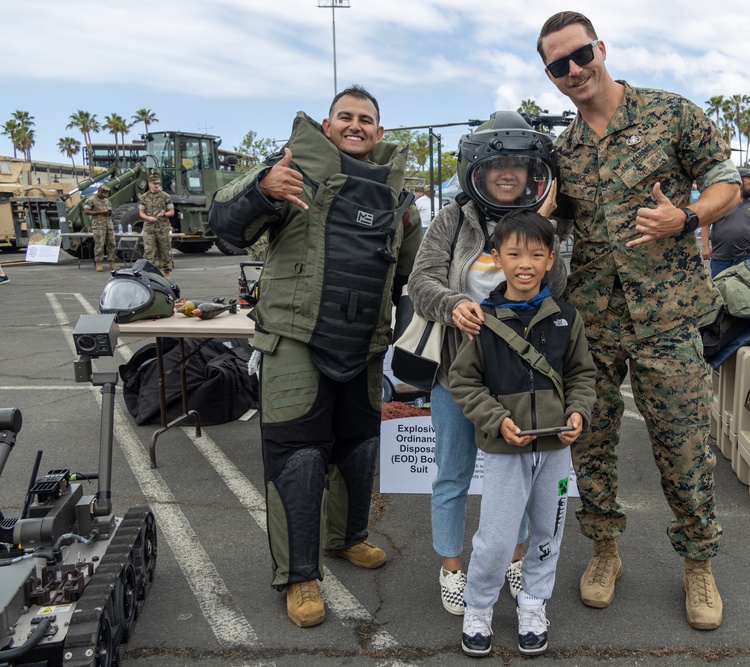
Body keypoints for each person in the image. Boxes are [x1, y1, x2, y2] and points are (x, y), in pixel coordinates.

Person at [537, 11, 740, 630]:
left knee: (683, 445)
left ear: (601, 48)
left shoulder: (671, 114)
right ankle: (604, 551)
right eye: (558, 65)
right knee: (590, 442)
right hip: (592, 322)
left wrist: (688, 217)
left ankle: (699, 564)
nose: (574, 71)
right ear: (550, 75)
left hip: (669, 317)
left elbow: (726, 181)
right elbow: (552, 226)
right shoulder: (563, 150)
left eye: (580, 55)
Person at [209, 85, 423, 629]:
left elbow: (411, 275)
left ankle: (344, 539)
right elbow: (225, 230)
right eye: (345, 117)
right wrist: (262, 190)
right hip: (294, 342)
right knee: (298, 457)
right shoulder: (287, 173)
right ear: (327, 126)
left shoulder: (399, 197)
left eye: (366, 119)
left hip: (367, 345)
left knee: (356, 447)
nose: (356, 125)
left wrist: (416, 348)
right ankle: (299, 575)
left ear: (379, 130)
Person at [409, 111, 567, 616]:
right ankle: (452, 566)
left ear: (532, 172)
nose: (506, 173)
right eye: (496, 163)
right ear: (476, 169)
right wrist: (453, 304)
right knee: (453, 474)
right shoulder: (453, 219)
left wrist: (548, 226)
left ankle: (516, 558)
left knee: (518, 476)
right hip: (457, 372)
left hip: (520, 378)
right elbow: (421, 280)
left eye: (518, 166)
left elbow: (558, 288)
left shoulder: (543, 224)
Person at [449, 210, 597, 657]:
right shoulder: (482, 321)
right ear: (497, 258)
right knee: (495, 539)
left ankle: (533, 604)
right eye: (514, 253)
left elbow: (583, 376)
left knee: (548, 534)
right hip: (503, 451)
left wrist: (578, 414)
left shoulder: (567, 318)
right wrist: (496, 421)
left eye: (536, 254)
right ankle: (479, 608)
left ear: (551, 259)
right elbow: (463, 382)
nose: (525, 263)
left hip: (556, 451)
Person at [702, 168, 750, 277]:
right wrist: (705, 247)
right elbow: (706, 224)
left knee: (744, 288)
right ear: (738, 181)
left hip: (744, 257)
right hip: (721, 258)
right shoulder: (720, 200)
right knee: (720, 288)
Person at [139, 173, 175, 278]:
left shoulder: (165, 196)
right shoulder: (144, 197)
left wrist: (164, 214)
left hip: (162, 227)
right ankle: (149, 274)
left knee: (165, 250)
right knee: (149, 251)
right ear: (149, 184)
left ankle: (167, 272)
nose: (156, 185)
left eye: (158, 183)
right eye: (154, 183)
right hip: (149, 228)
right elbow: (141, 213)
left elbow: (171, 212)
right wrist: (148, 218)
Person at [83, 184, 117, 272]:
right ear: (99, 192)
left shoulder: (107, 201)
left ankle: (111, 263)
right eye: (103, 194)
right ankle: (98, 262)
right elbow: (86, 211)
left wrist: (109, 212)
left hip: (108, 224)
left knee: (112, 243)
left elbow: (110, 211)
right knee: (99, 244)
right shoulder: (90, 200)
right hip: (98, 225)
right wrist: (99, 212)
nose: (104, 196)